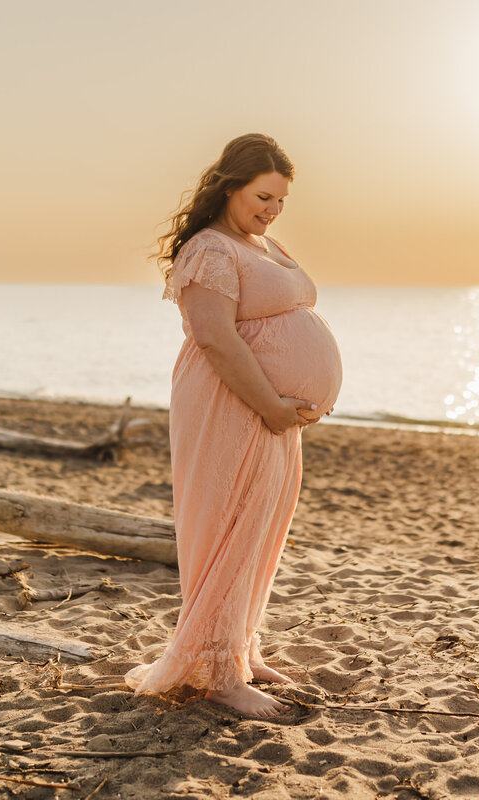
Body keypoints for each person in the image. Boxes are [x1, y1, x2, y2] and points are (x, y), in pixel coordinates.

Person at [125, 133, 343, 718]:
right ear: (230, 186)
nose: (272, 211)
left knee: (262, 526)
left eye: (280, 202)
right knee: (230, 524)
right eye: (263, 197)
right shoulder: (209, 250)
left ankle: (239, 650)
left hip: (271, 410)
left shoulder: (259, 244)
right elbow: (215, 338)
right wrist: (272, 403)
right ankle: (218, 672)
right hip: (230, 404)